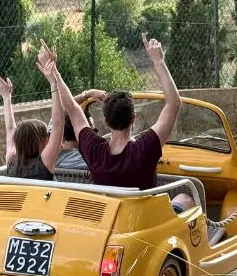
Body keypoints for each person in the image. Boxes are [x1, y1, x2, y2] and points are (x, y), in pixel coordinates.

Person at [41, 34, 195, 214]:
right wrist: (158, 61)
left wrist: (55, 73)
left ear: (106, 121)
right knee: (185, 198)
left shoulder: (94, 150)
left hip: (110, 220)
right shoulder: (145, 148)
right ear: (133, 119)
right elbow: (174, 103)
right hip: (144, 220)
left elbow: (72, 109)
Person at [0, 67, 64, 181]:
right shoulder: (44, 164)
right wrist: (54, 85)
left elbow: (10, 129)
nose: (49, 137)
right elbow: (58, 125)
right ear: (39, 141)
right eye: (47, 135)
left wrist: (6, 97)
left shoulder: (12, 162)